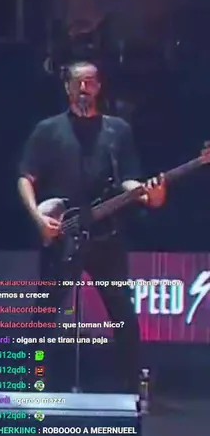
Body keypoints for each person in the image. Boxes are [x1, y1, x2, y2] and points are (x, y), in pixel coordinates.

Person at [16, 61, 166, 393]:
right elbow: (25, 178)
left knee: (121, 309)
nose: (84, 88)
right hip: (62, 234)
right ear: (67, 87)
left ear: (99, 87)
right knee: (45, 313)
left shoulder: (117, 130)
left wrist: (147, 195)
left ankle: (134, 383)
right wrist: (38, 218)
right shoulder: (48, 130)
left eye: (90, 82)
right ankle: (33, 379)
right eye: (78, 82)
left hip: (106, 234)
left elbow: (128, 178)